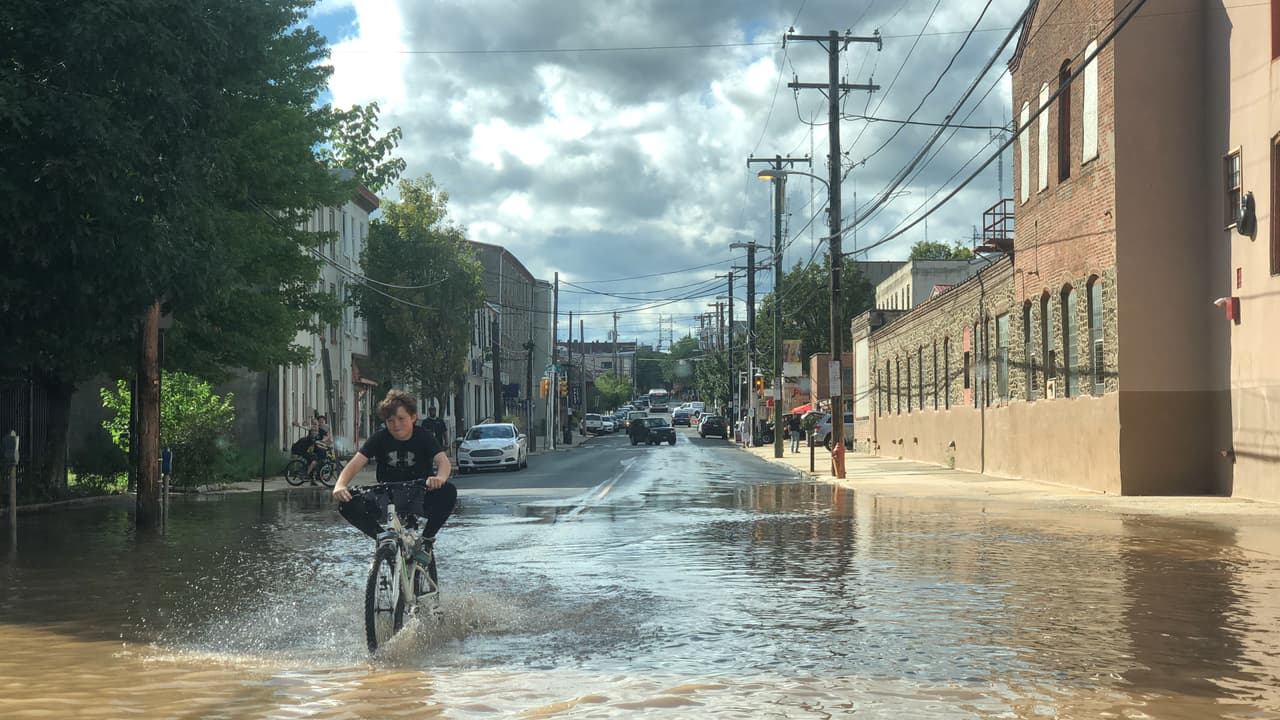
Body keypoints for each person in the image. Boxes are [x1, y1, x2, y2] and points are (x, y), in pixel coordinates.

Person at [332, 390, 456, 561]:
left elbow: (443, 462)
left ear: (413, 417)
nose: (396, 425)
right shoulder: (379, 438)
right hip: (388, 495)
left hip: (421, 493)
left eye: (401, 419)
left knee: (448, 491)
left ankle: (426, 542)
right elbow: (355, 464)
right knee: (346, 503)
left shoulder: (424, 436)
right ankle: (382, 538)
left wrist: (440, 478)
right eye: (390, 421)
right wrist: (340, 485)